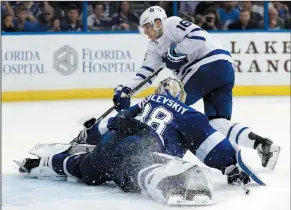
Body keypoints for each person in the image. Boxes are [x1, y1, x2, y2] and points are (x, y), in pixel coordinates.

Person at [17, 78, 253, 206]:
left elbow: (107, 124)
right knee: (140, 170)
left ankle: (41, 163)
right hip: (143, 144)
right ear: (180, 97)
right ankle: (172, 184)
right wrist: (231, 166)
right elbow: (211, 145)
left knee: (86, 166)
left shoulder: (145, 102)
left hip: (113, 139)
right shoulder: (188, 113)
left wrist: (86, 136)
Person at [112, 6, 281, 171]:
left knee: (167, 106)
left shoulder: (171, 24)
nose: (146, 33)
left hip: (205, 68)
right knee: (217, 123)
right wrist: (127, 89)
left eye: (147, 27)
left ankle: (160, 150)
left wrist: (176, 52)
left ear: (157, 22)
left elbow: (198, 35)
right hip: (223, 70)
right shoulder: (154, 47)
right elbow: (146, 74)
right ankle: (263, 144)